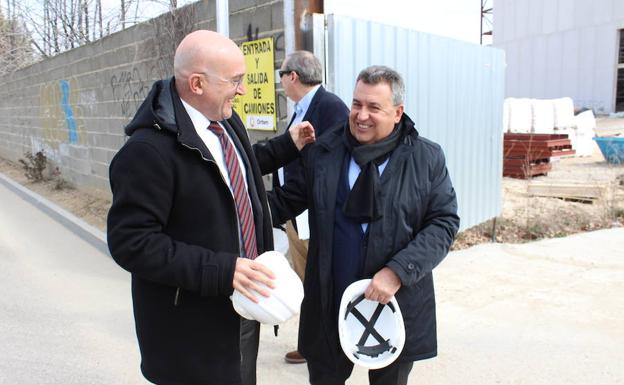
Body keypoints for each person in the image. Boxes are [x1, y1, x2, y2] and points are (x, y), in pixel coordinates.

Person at [106, 30, 315, 385]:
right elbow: (132, 243)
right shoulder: (147, 152)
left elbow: (237, 168)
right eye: (235, 81)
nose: (243, 90)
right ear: (198, 84)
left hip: (240, 309)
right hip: (189, 333)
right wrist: (223, 271)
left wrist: (287, 146)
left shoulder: (226, 122)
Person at [269, 65, 460, 385]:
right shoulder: (323, 152)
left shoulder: (426, 158)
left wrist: (398, 271)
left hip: (395, 302)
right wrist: (228, 207)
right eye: (357, 104)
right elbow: (285, 202)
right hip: (329, 301)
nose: (361, 115)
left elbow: (443, 222)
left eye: (374, 107)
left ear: (398, 112)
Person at [276, 50, 349, 364]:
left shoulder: (330, 108)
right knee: (310, 282)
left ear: (292, 76)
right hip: (296, 212)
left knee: (319, 282)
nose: (280, 83)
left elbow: (334, 164)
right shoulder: (302, 108)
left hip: (311, 213)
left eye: (281, 75)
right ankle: (311, 343)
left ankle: (326, 346)